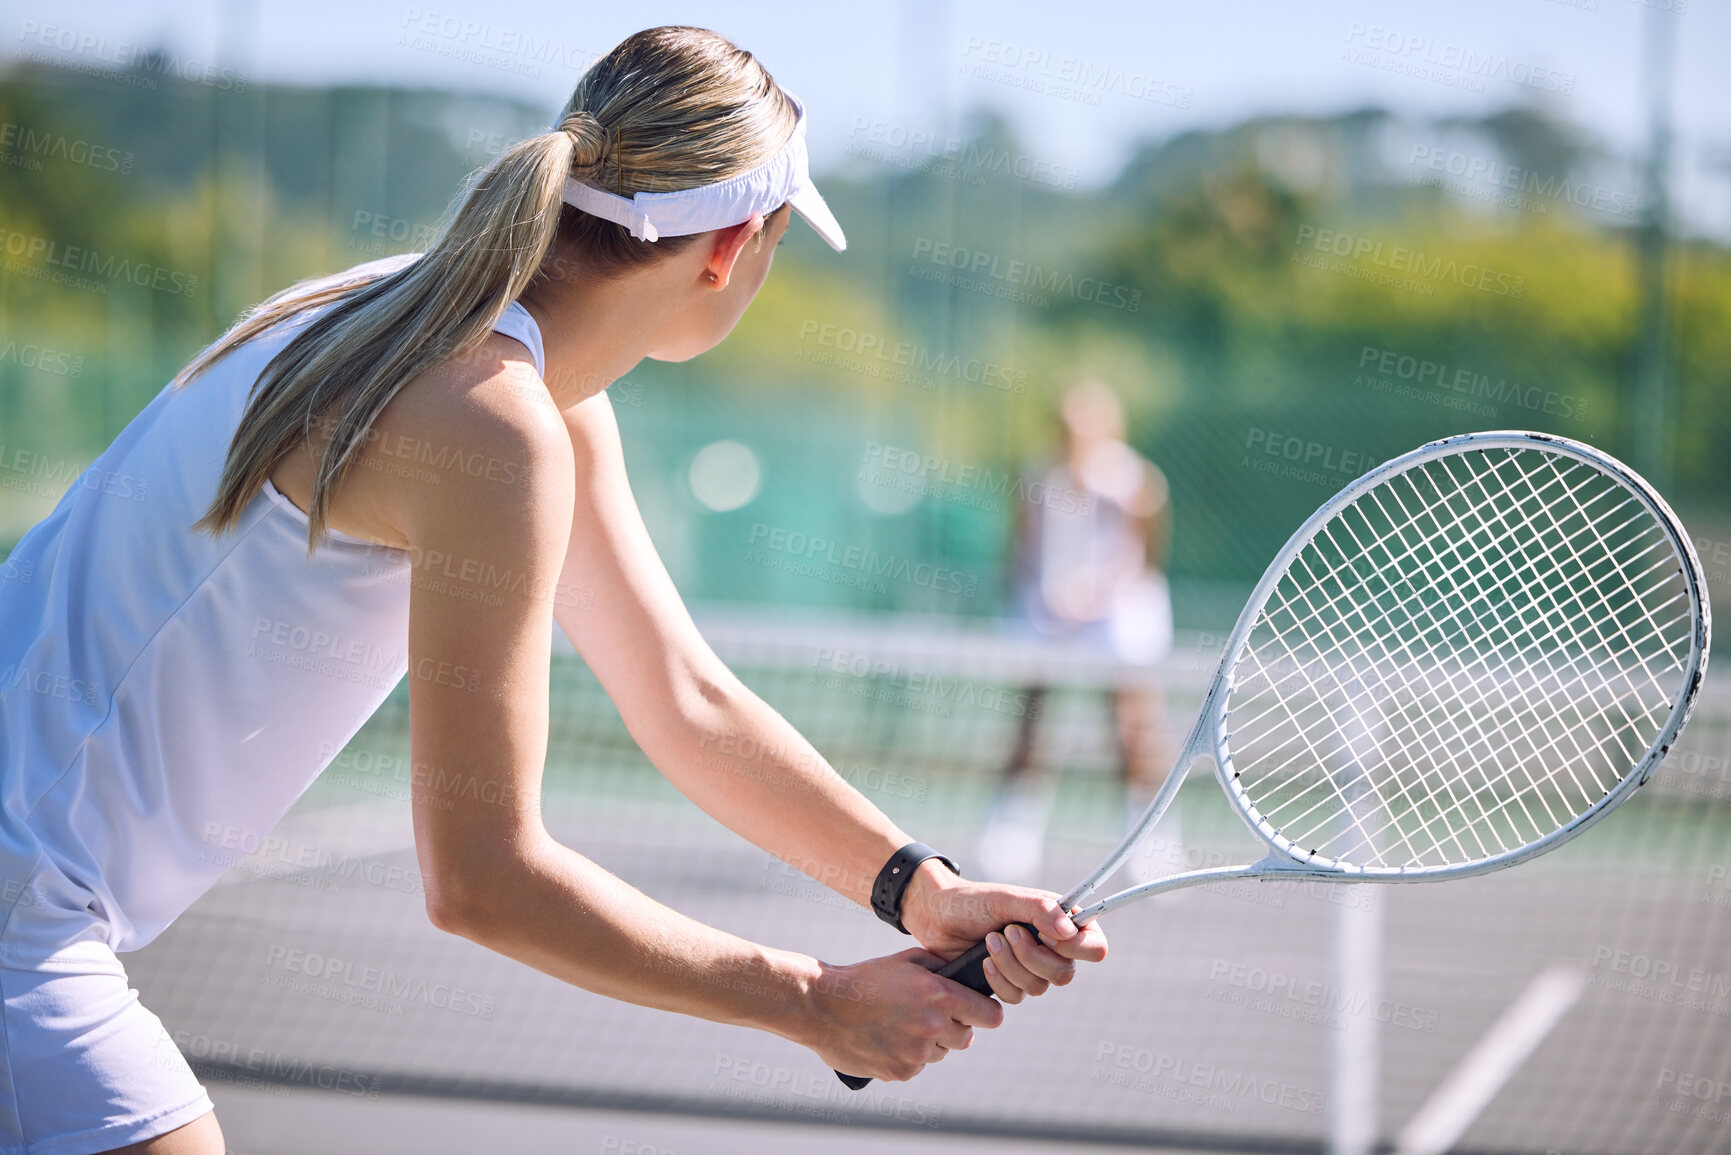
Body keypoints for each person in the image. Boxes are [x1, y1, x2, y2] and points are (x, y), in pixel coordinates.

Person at [0, 27, 1106, 1154]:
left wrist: (922, 894)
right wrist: (814, 1003)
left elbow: (681, 697)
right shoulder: (493, 421)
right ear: (730, 248)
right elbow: (484, 880)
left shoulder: (419, 327)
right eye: (780, 241)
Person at [977, 380, 1177, 885]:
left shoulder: (1137, 481)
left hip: (1117, 618)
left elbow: (1145, 557)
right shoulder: (1038, 477)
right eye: (1066, 428)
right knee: (1030, 718)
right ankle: (1012, 834)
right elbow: (1023, 546)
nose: (1074, 437)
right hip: (1048, 614)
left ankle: (1151, 841)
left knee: (1133, 729)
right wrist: (1043, 598)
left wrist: (1095, 598)